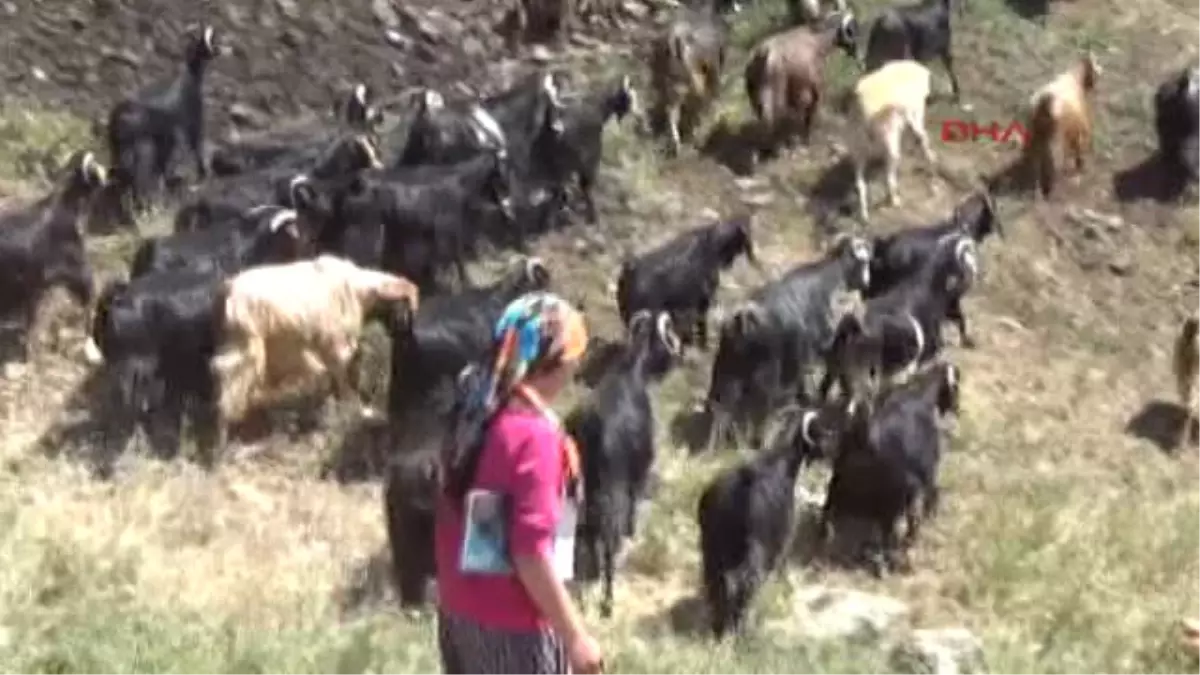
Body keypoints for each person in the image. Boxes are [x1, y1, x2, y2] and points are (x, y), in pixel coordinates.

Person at [434, 291, 605, 675]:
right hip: (514, 629)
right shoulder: (535, 438)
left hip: (459, 611)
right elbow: (529, 551)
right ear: (559, 362)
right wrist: (576, 637)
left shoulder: (474, 412)